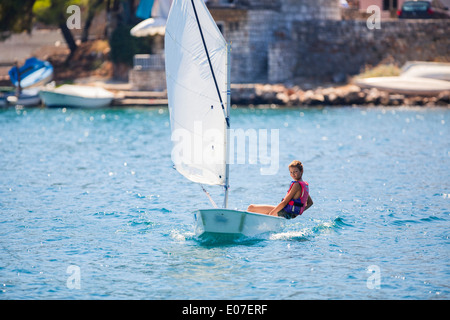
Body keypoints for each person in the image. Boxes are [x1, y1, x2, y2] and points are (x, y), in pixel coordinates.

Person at [247, 160, 313, 219]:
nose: (293, 174)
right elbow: (310, 203)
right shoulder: (304, 185)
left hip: (284, 212)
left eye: (295, 171)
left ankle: (244, 225)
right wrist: (297, 212)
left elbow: (284, 202)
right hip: (289, 214)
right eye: (291, 172)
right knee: (262, 212)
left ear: (301, 171)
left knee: (251, 207)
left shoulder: (297, 185)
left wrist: (272, 213)